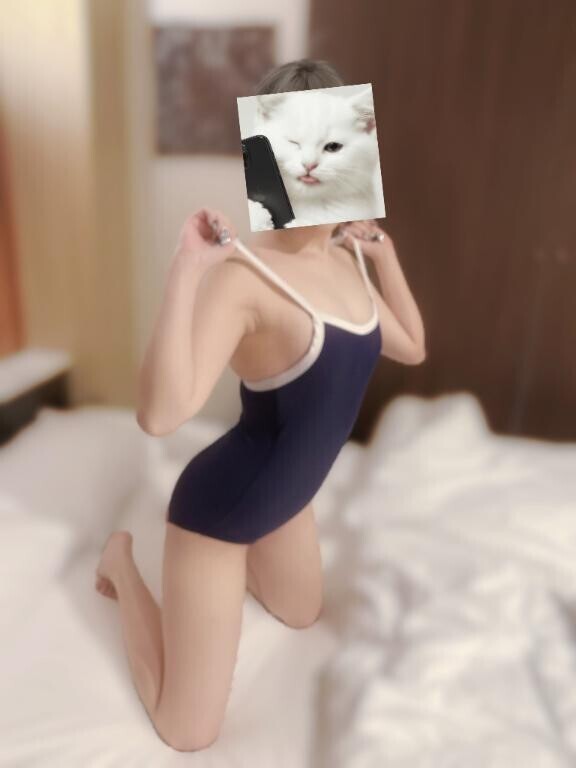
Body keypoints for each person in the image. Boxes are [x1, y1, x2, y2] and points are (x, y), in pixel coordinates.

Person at [94, 58, 426, 752]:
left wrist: (383, 252)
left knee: (303, 613)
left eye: (330, 144)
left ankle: (224, 579)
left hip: (288, 502)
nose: (312, 165)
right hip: (220, 512)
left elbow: (413, 348)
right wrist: (188, 269)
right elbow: (160, 417)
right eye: (292, 146)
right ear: (266, 157)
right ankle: (122, 563)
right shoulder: (244, 277)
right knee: (187, 731)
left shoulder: (347, 261)